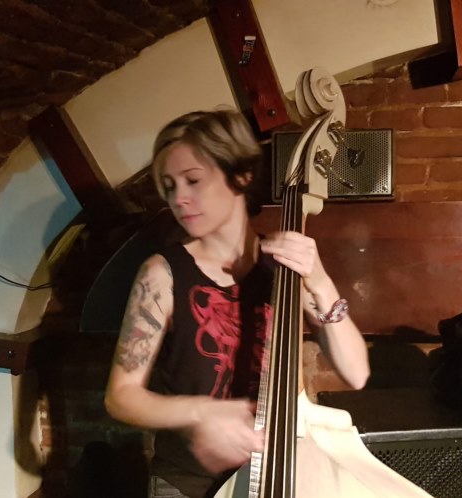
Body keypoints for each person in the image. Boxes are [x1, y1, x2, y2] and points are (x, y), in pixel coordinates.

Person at [104, 108, 370, 498]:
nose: (179, 199)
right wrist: (200, 412)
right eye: (170, 186)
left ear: (241, 176)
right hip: (189, 484)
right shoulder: (162, 273)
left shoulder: (283, 264)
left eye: (193, 180)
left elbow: (356, 373)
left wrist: (321, 282)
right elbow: (121, 396)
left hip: (282, 472)